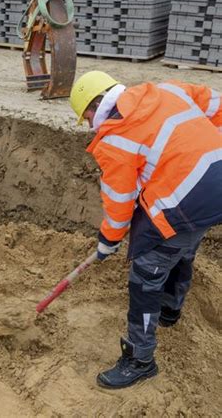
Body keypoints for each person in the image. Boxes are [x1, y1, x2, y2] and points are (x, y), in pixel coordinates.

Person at [69, 71, 222, 389]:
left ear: (96, 104)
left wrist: (108, 241)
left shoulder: (114, 137)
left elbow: (120, 201)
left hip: (186, 202)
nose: (88, 125)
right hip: (217, 184)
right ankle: (170, 309)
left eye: (85, 117)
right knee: (182, 242)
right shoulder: (165, 90)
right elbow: (216, 103)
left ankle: (140, 360)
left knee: (146, 275)